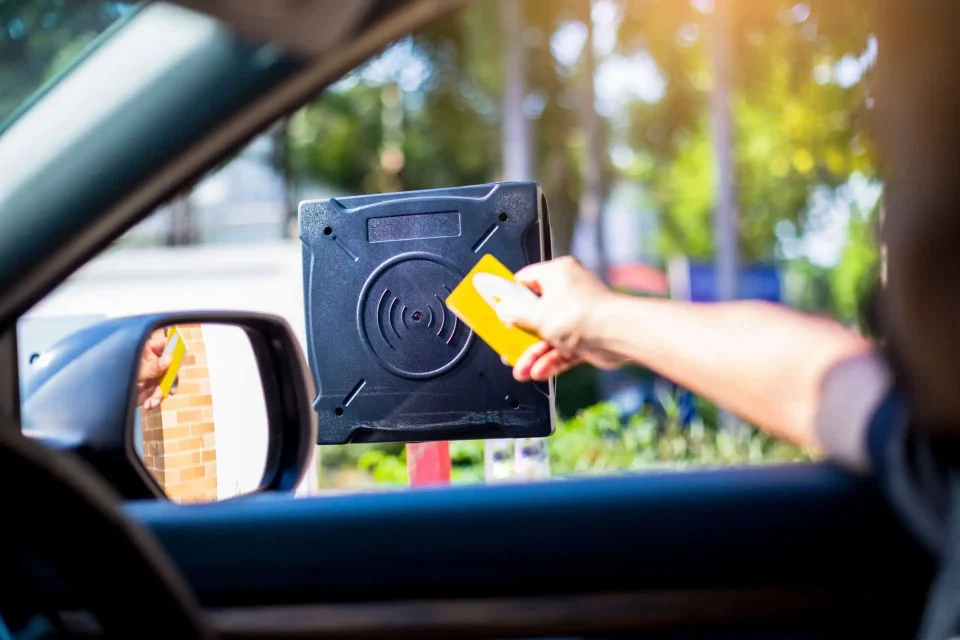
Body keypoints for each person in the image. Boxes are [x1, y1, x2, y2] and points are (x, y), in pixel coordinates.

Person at [497, 3, 960, 639]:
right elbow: (816, 380)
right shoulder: (944, 464)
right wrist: (602, 319)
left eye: (904, 172)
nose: (885, 226)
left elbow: (825, 383)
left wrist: (603, 319)